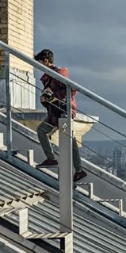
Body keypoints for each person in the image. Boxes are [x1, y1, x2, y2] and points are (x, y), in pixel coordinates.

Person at [32, 48, 86, 183]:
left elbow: (71, 89)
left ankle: (78, 170)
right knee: (43, 131)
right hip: (55, 112)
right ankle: (56, 161)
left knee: (69, 139)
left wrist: (53, 96)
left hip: (63, 112)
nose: (39, 67)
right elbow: (51, 98)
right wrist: (45, 99)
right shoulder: (49, 77)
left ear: (46, 61)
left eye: (40, 63)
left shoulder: (58, 74)